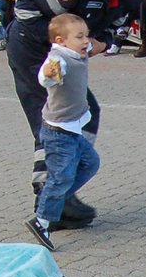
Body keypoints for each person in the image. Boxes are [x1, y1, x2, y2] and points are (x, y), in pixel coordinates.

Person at [5, 0, 146, 209]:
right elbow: (25, 8)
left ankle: (62, 189)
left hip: (64, 56)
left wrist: (100, 42)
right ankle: (49, 198)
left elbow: (111, 32)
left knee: (87, 113)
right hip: (32, 48)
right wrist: (62, 45)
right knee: (52, 121)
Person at [23, 13, 101, 253]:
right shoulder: (59, 59)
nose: (85, 40)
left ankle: (55, 198)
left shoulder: (76, 53)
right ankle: (42, 220)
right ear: (61, 40)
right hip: (58, 133)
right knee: (61, 178)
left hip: (72, 129)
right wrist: (48, 74)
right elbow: (46, 76)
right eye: (79, 36)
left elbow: (90, 48)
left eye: (86, 35)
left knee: (90, 163)